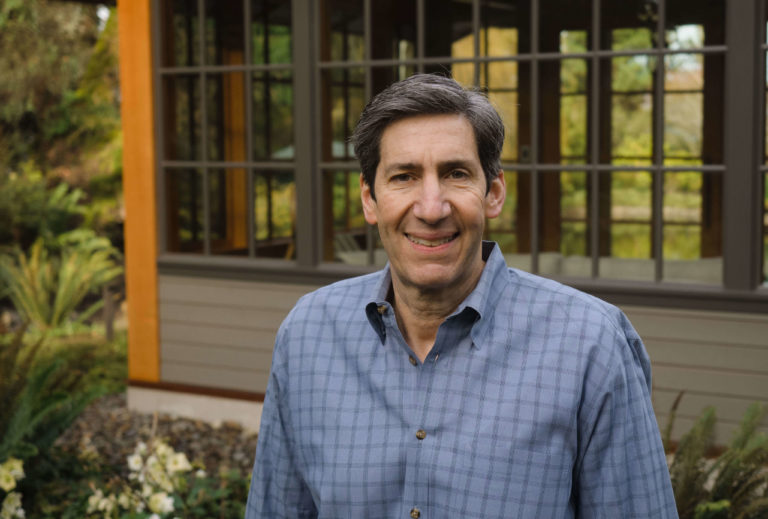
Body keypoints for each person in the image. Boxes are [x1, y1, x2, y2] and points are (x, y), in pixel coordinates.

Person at [245, 74, 677, 518]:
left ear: (493, 193)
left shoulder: (590, 344)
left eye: (455, 174)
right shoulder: (308, 335)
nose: (431, 208)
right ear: (369, 199)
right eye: (404, 176)